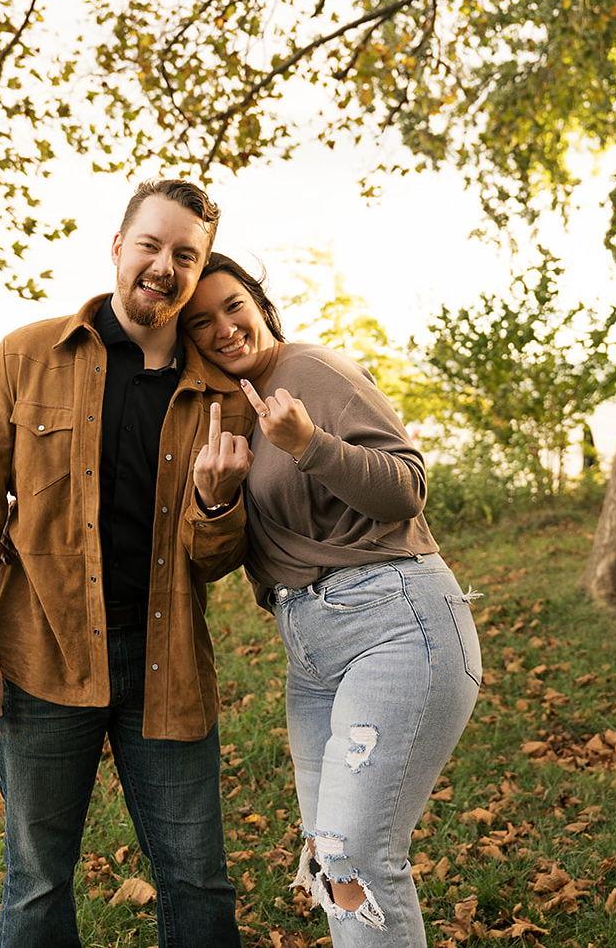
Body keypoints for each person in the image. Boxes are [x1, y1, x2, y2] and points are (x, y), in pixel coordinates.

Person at [0, 182, 254, 948]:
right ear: (117, 246)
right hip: (41, 655)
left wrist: (216, 505)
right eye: (150, 244)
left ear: (199, 268)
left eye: (185, 255)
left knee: (197, 877)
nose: (164, 265)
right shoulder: (26, 356)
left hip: (166, 662)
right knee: (37, 881)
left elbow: (215, 561)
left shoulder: (221, 397)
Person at [183, 253, 482, 947]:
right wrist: (216, 498)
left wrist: (310, 444)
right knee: (328, 858)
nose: (224, 327)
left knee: (356, 857)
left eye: (233, 305)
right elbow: (235, 551)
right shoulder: (237, 405)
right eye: (201, 322)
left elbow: (406, 488)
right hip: (312, 652)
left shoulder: (312, 370)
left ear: (260, 304)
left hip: (393, 624)